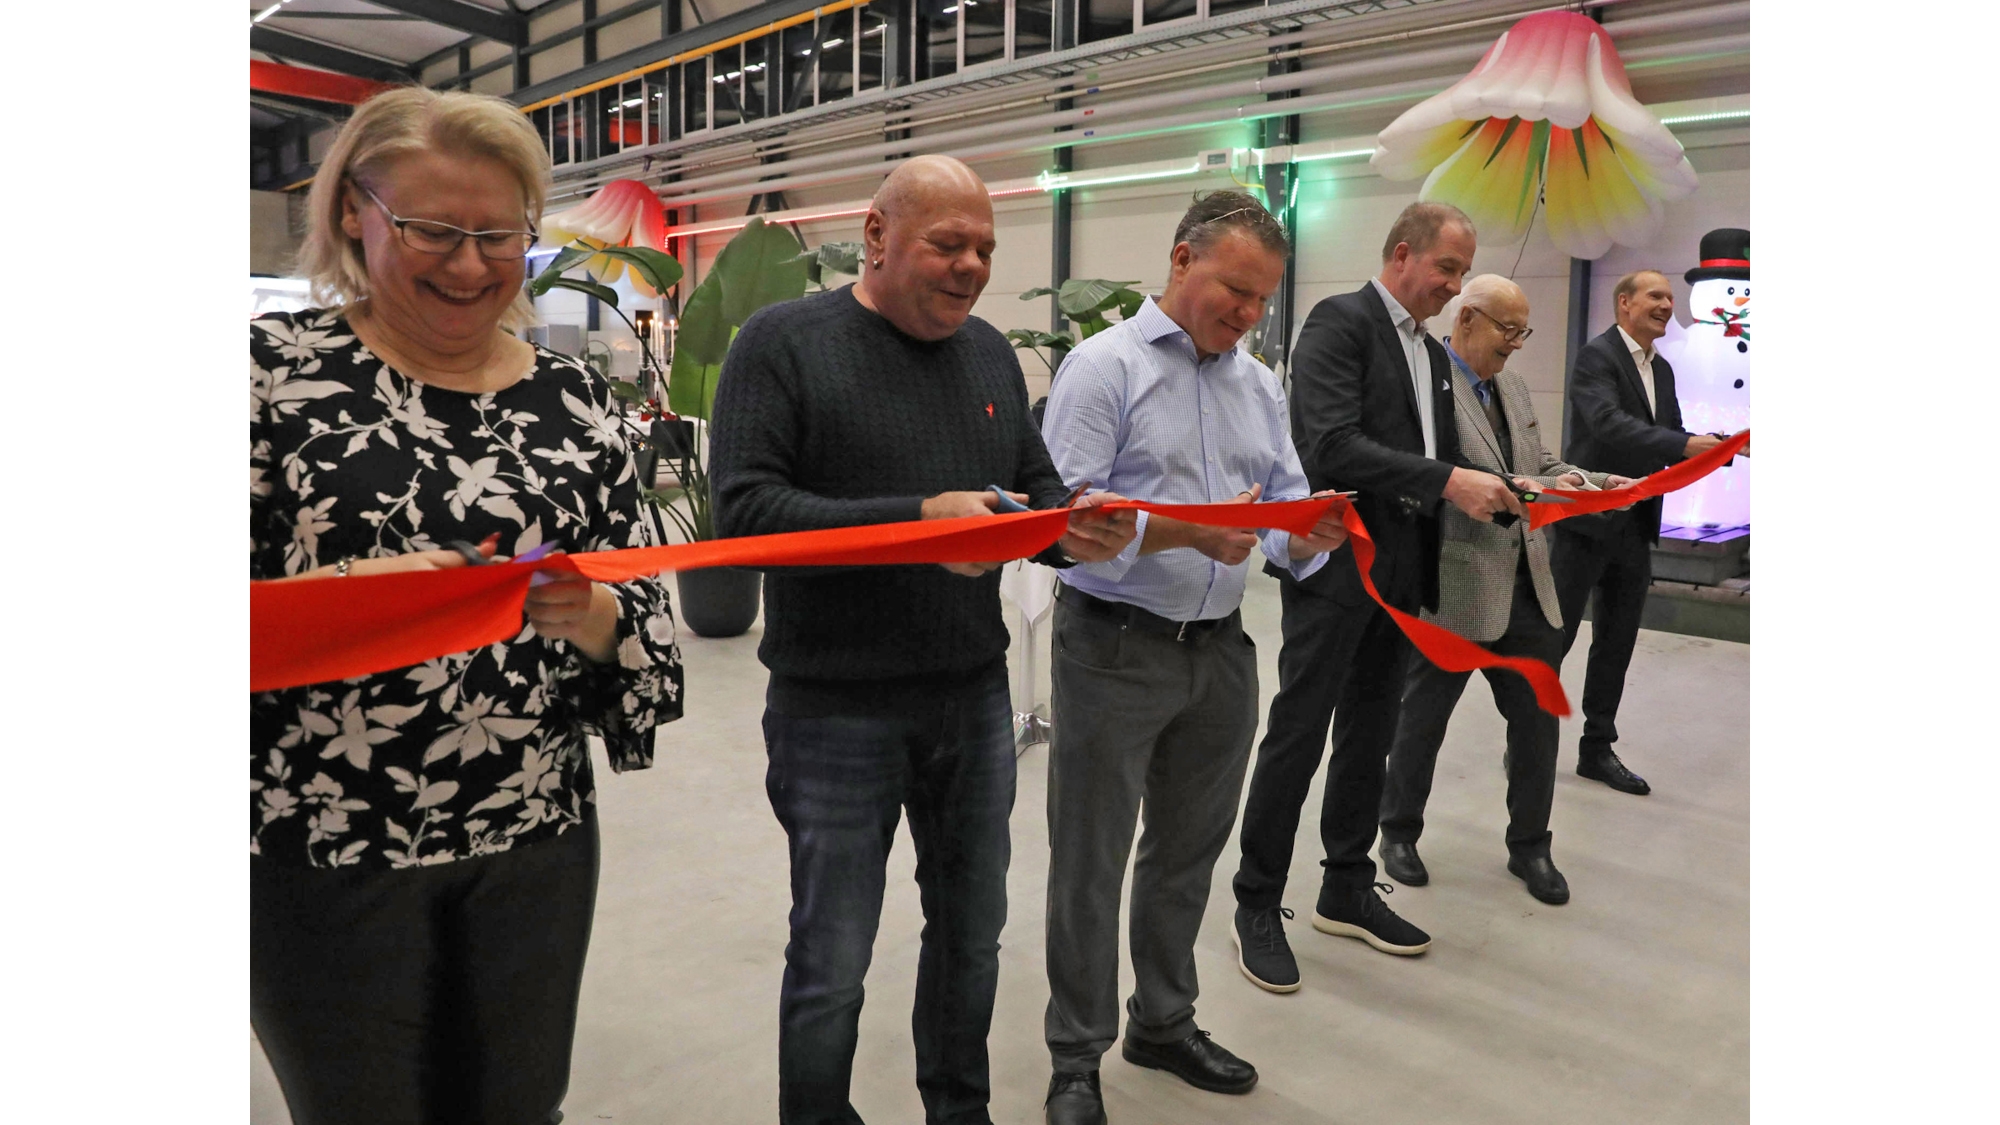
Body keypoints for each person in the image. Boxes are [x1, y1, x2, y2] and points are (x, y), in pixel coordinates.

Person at [250, 87, 685, 1125]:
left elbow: (647, 626)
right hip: (326, 846)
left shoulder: (575, 401)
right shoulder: (268, 381)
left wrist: (597, 620)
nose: (469, 264)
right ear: (354, 212)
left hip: (531, 836)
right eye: (432, 231)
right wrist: (343, 596)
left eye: (498, 236)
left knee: (518, 1106)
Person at [708, 155, 1137, 1125]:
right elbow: (744, 517)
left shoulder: (987, 353)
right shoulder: (783, 344)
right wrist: (920, 521)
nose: (971, 266)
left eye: (984, 248)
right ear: (876, 235)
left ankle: (958, 1107)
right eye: (948, 244)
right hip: (834, 706)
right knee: (832, 955)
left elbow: (1033, 490)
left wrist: (1072, 526)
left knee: (971, 935)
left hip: (971, 697)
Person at [1036, 192, 1348, 1125]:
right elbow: (1068, 522)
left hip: (1220, 654)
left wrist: (1309, 533)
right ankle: (1076, 1055)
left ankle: (1163, 1022)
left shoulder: (1258, 386)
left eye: (1263, 299)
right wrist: (1190, 533)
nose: (1248, 313)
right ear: (1181, 261)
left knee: (1185, 855)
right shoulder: (1105, 369)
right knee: (1089, 861)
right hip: (1113, 647)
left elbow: (1281, 513)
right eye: (1235, 291)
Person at [1228, 202, 1526, 993]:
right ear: (1402, 254)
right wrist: (1449, 481)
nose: (1456, 286)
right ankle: (1256, 899)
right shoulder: (1341, 323)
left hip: (1402, 578)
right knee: (1299, 734)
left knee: (1370, 737)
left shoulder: (1431, 353)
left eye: (1464, 272)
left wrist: (1514, 484)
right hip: (1337, 569)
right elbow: (1330, 443)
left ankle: (1346, 885)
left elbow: (1439, 453)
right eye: (1447, 268)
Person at [1377, 275, 1635, 906]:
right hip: (1452, 588)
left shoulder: (1512, 386)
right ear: (1466, 319)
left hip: (1528, 587)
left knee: (1538, 725)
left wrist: (1592, 482)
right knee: (1421, 722)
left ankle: (1531, 847)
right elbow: (1426, 477)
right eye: (1508, 329)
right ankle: (1398, 832)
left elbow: (1537, 463)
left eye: (1524, 331)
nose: (1517, 344)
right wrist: (1524, 487)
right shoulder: (1425, 385)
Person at [1551, 270, 1722, 797]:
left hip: (1635, 526)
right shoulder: (1596, 358)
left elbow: (1667, 436)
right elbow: (1607, 424)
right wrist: (1685, 445)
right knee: (1555, 639)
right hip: (1586, 523)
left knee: (1616, 643)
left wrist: (1716, 448)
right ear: (1624, 303)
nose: (1668, 304)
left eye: (1670, 296)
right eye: (1656, 295)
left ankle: (1596, 749)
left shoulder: (1661, 369)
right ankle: (1528, 739)